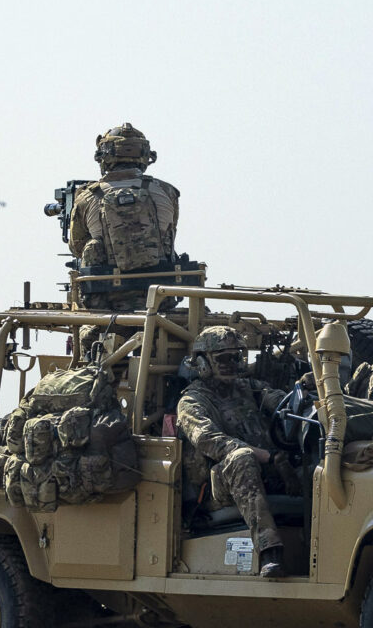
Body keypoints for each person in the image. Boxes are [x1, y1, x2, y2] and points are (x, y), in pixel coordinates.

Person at [176, 325, 291, 577]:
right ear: (203, 363)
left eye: (236, 357)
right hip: (218, 487)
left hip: (266, 473)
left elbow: (280, 401)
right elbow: (210, 441)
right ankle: (269, 551)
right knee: (241, 458)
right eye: (223, 358)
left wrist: (294, 406)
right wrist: (264, 455)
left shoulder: (247, 388)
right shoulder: (192, 401)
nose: (231, 363)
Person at [68, 123, 182, 297]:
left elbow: (77, 247)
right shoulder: (167, 192)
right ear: (145, 155)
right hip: (159, 298)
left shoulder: (86, 197)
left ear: (103, 156)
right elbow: (169, 235)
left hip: (103, 299)